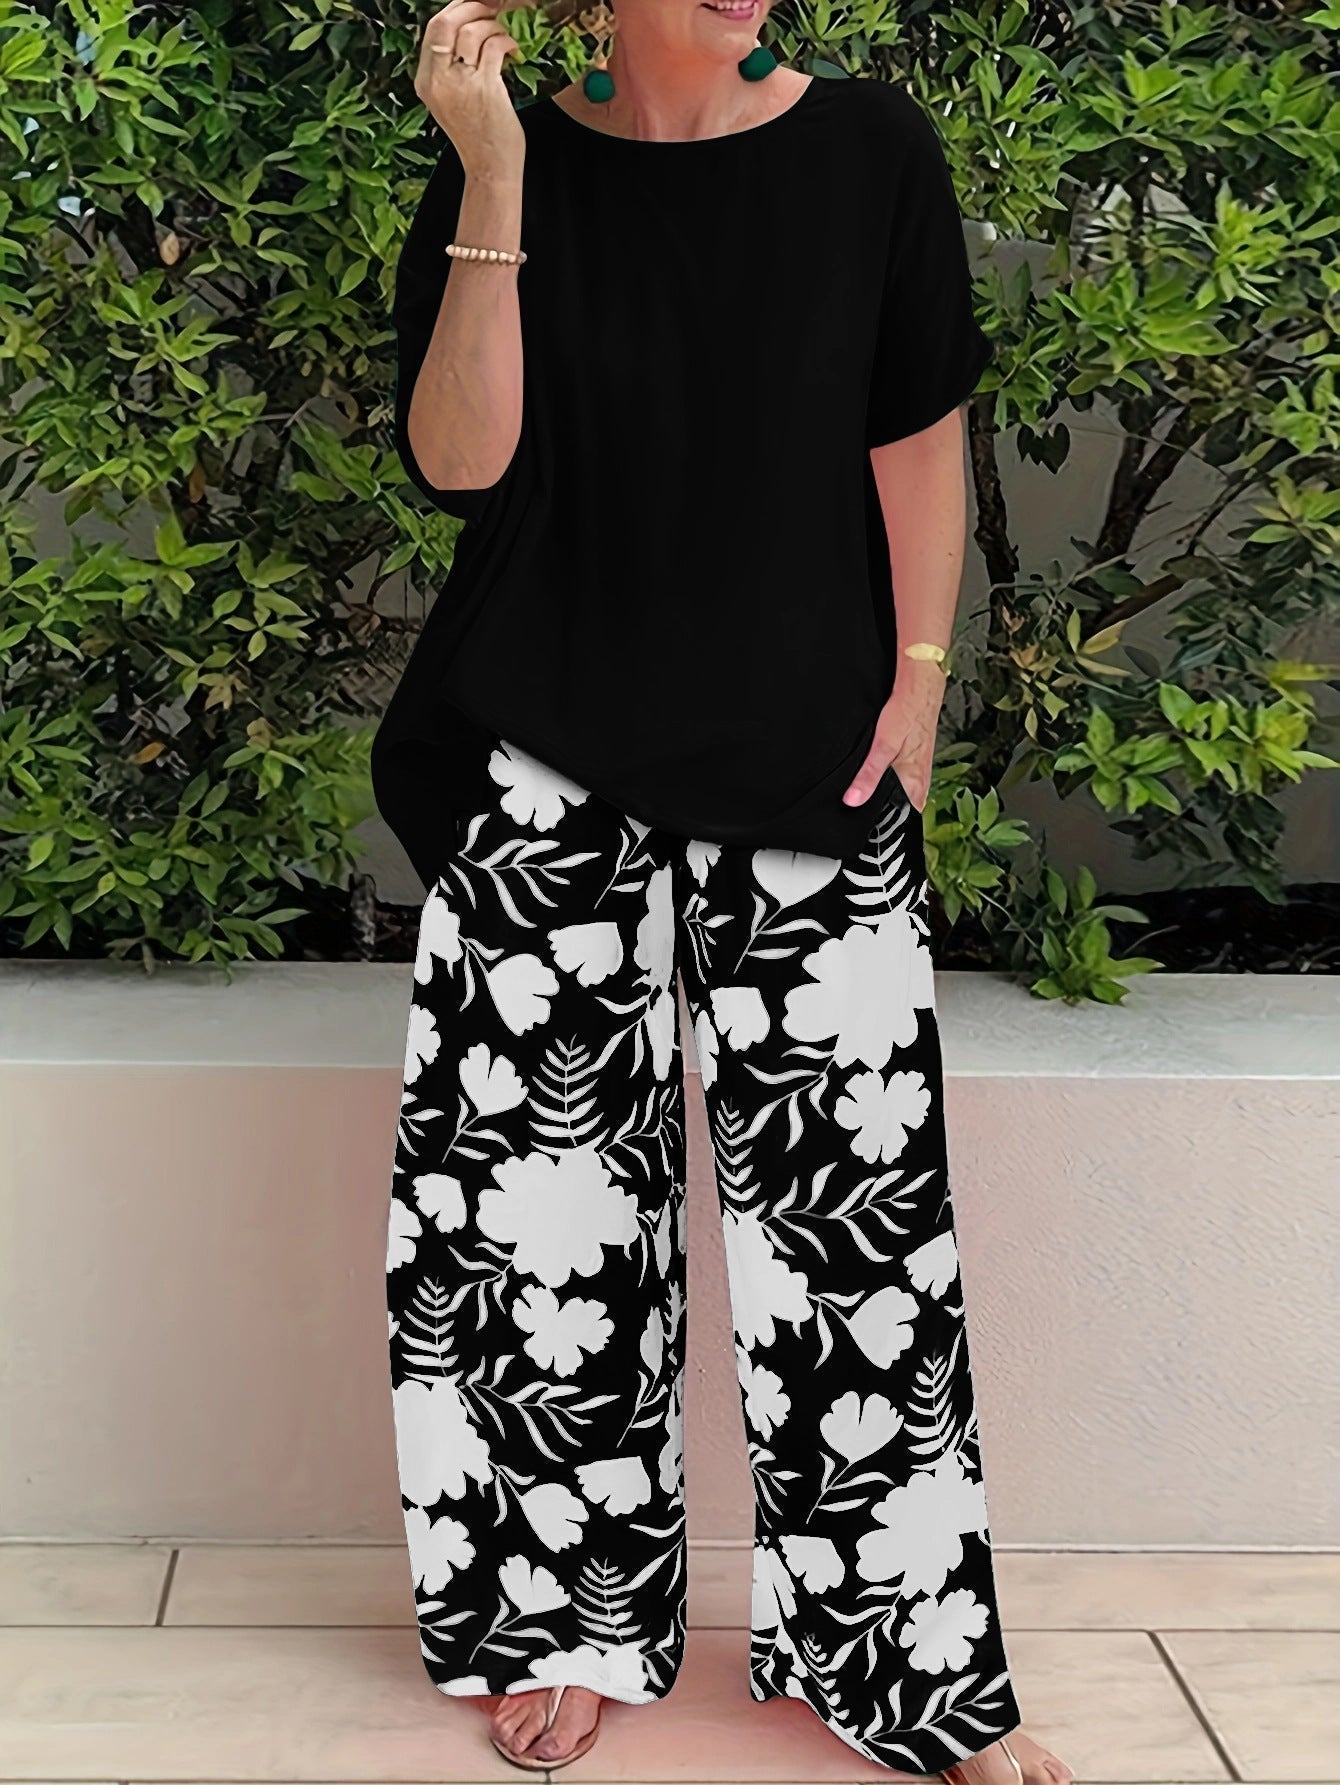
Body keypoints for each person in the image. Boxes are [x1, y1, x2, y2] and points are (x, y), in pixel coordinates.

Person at [375, 2, 1075, 1780]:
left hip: (810, 763)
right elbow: (460, 461)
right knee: (533, 1234)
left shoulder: (870, 153)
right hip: (545, 760)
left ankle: (908, 1669)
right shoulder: (503, 157)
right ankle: (559, 1623)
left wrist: (922, 678)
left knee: (863, 1248)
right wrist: (498, 180)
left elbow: (918, 438)